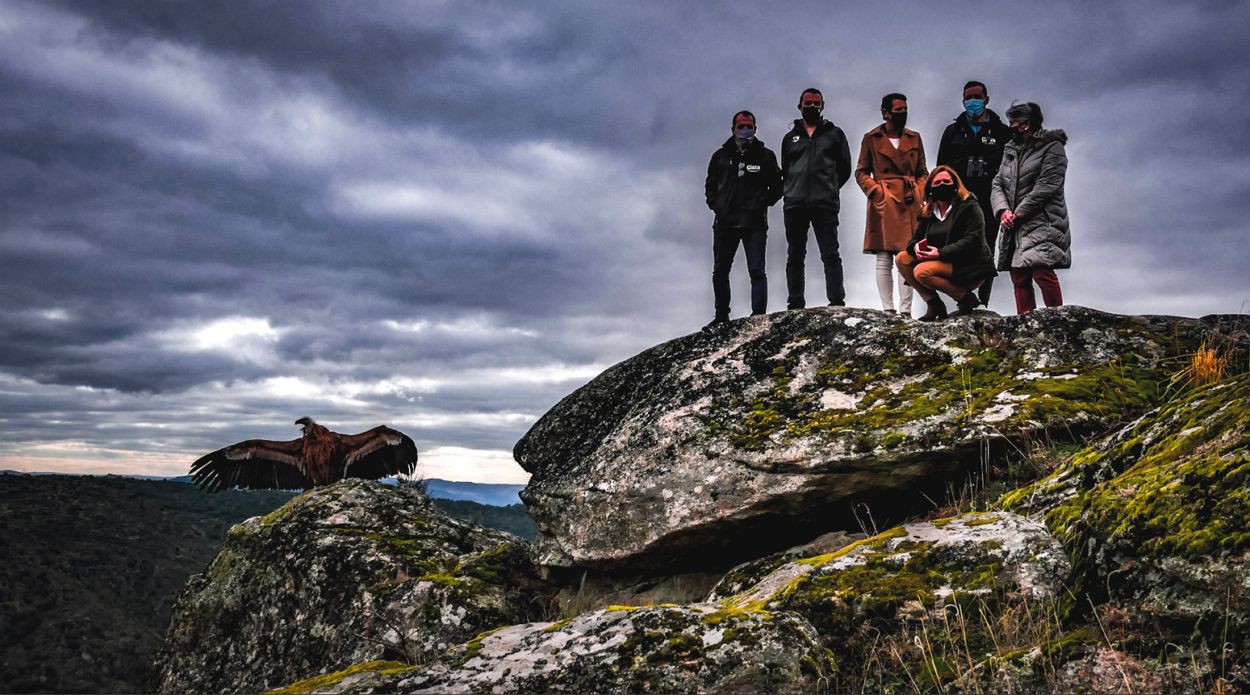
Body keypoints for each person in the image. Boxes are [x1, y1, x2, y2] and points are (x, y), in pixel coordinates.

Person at [703, 110, 782, 328]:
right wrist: (717, 206)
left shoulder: (766, 155)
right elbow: (710, 185)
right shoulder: (720, 156)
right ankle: (721, 316)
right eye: (741, 126)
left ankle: (757, 316)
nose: (745, 130)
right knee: (720, 271)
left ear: (755, 129)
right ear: (733, 129)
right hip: (725, 224)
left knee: (757, 270)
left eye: (749, 126)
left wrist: (761, 203)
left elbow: (777, 186)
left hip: (754, 224)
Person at [936, 80, 1012, 307]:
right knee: (960, 248)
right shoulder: (953, 131)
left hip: (991, 199)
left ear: (986, 99)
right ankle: (964, 300)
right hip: (961, 201)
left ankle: (983, 300)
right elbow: (942, 168)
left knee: (987, 247)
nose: (973, 102)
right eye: (968, 97)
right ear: (963, 100)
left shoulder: (1002, 131)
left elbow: (1011, 168)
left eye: (977, 97)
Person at [990, 102, 1070, 314]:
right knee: (1018, 274)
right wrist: (1003, 211)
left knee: (1041, 269)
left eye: (1013, 123)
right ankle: (1024, 321)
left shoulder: (1053, 147)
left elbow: (1047, 186)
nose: (1011, 127)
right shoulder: (1010, 149)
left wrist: (1017, 214)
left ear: (1026, 124)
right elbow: (997, 182)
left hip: (1042, 219)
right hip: (1013, 221)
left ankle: (1057, 318)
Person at [855, 92, 928, 316]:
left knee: (907, 255)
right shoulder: (871, 138)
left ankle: (906, 310)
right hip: (883, 202)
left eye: (905, 109)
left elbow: (922, 171)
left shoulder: (914, 138)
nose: (903, 113)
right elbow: (860, 171)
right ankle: (888, 309)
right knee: (883, 256)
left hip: (909, 201)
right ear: (886, 113)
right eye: (898, 110)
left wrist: (919, 191)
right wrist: (876, 192)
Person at [780, 87, 853, 309]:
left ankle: (836, 301)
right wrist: (794, 189)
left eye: (816, 103)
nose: (811, 106)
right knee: (795, 256)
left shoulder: (835, 134)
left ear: (822, 106)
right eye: (807, 103)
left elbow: (845, 168)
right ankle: (795, 303)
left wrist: (828, 187)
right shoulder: (789, 138)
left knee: (830, 254)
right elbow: (787, 169)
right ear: (799, 105)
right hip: (795, 205)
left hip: (825, 204)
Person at [895, 166, 997, 321]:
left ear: (955, 184)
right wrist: (915, 247)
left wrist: (940, 253)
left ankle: (964, 298)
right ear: (930, 188)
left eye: (946, 181)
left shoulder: (969, 206)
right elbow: (914, 240)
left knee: (921, 271)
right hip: (942, 262)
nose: (942, 185)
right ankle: (934, 304)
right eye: (937, 183)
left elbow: (973, 239)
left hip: (971, 266)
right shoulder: (928, 212)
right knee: (902, 258)